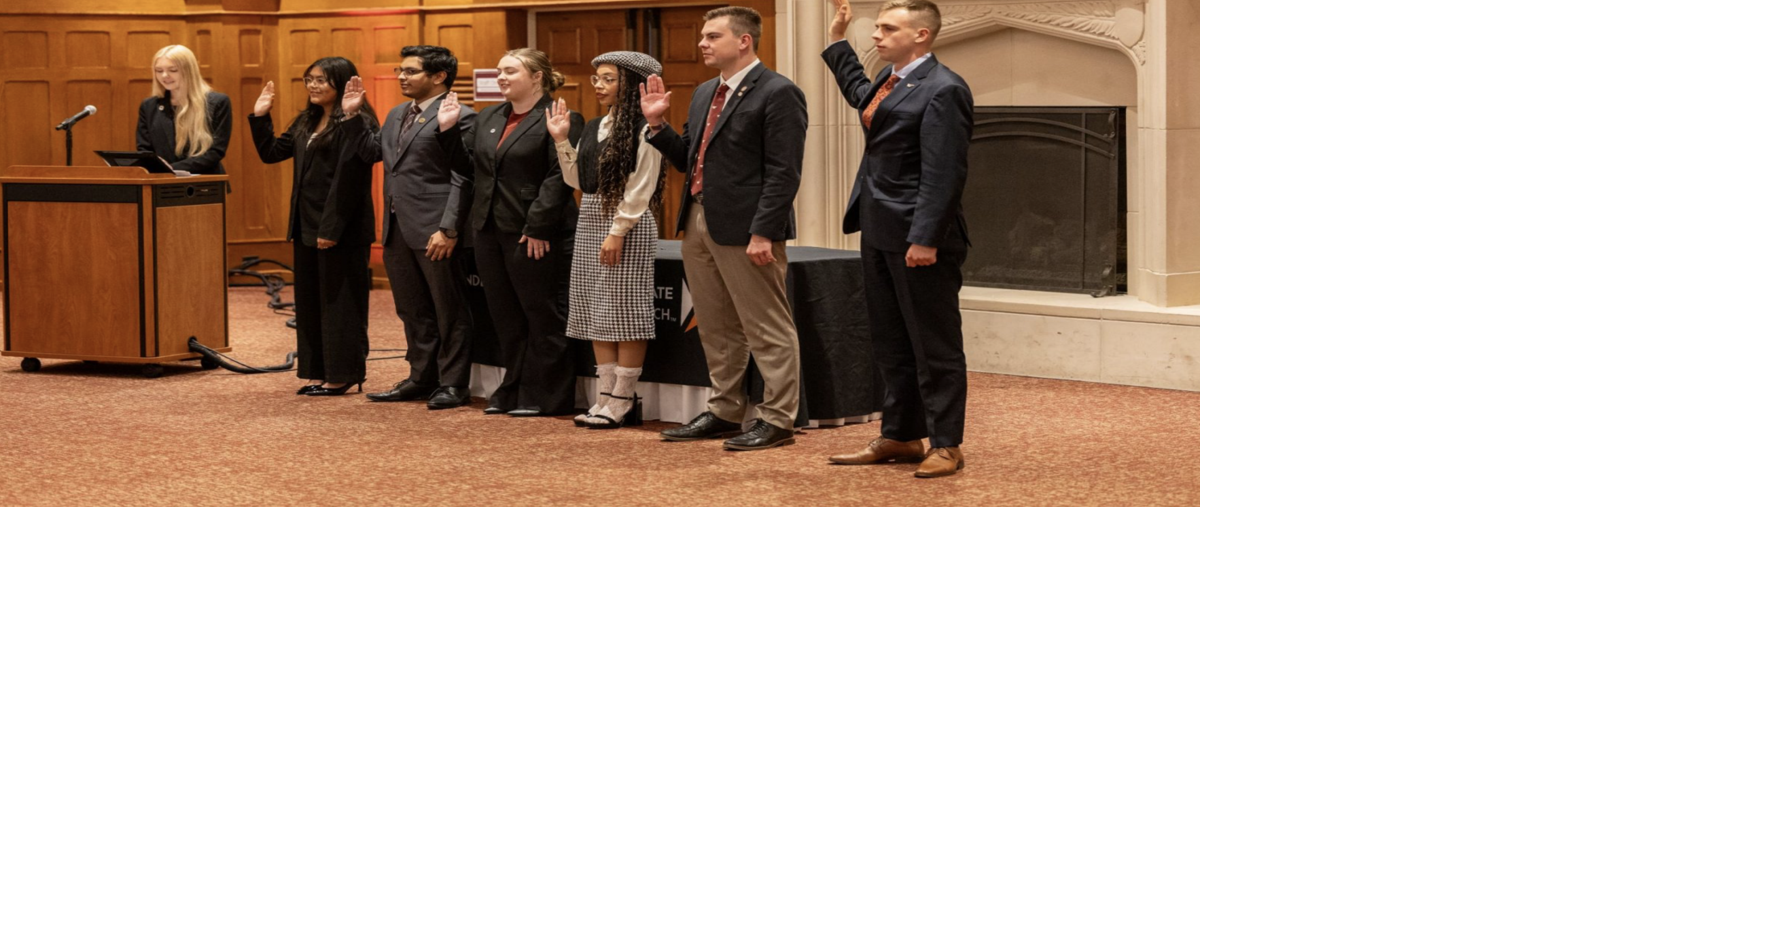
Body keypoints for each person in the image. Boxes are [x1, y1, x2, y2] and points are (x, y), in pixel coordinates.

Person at [639, 6, 808, 451]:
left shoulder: (778, 92)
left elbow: (783, 173)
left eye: (713, 36)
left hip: (748, 227)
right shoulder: (702, 93)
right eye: (703, 36)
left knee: (765, 325)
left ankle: (778, 419)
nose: (702, 43)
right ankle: (725, 410)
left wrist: (764, 232)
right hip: (697, 221)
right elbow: (688, 158)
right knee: (715, 324)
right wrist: (656, 124)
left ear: (744, 41)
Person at [823, 0, 974, 478]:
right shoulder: (893, 82)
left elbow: (944, 173)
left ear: (922, 35)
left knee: (934, 345)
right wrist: (836, 40)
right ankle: (902, 435)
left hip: (919, 236)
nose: (878, 35)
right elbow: (865, 100)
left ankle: (947, 444)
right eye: (878, 27)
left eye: (888, 28)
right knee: (890, 340)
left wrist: (925, 237)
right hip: (880, 228)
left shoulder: (944, 88)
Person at [433, 49, 583, 417]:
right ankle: (513, 388)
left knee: (542, 315)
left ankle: (549, 395)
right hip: (489, 230)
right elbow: (470, 171)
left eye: (510, 71)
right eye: (499, 71)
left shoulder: (562, 116)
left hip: (534, 231)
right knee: (506, 317)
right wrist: (449, 132)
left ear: (536, 77)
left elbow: (558, 178)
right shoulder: (490, 117)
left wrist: (538, 226)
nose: (501, 77)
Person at [339, 46, 477, 410]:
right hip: (398, 226)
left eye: (411, 71)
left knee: (449, 310)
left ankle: (453, 384)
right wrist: (353, 118)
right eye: (401, 69)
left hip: (436, 228)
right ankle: (421, 376)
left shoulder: (460, 115)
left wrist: (449, 228)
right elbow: (373, 154)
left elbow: (464, 175)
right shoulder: (398, 112)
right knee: (412, 309)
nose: (401, 76)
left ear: (439, 77)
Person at [550, 51, 667, 430]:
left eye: (607, 78)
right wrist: (562, 142)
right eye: (596, 78)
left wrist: (617, 231)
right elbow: (578, 181)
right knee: (595, 311)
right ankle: (606, 395)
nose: (597, 85)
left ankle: (624, 398)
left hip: (626, 222)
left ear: (630, 84)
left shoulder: (645, 127)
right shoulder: (596, 125)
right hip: (590, 218)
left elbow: (642, 184)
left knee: (625, 312)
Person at [249, 57, 379, 396]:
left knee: (340, 305)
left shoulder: (357, 119)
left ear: (341, 82)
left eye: (321, 80)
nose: (313, 85)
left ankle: (343, 373)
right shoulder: (308, 120)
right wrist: (261, 117)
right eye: (309, 79)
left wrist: (331, 229)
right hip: (306, 225)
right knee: (310, 303)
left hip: (340, 228)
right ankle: (319, 370)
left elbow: (350, 179)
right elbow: (272, 153)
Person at [136, 44, 232, 175]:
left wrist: (170, 168)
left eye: (173, 70)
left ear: (189, 70)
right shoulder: (149, 106)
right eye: (159, 70)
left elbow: (215, 152)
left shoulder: (217, 102)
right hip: (162, 182)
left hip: (204, 182)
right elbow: (145, 150)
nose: (164, 76)